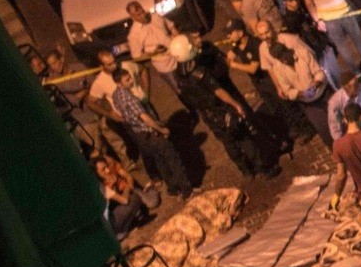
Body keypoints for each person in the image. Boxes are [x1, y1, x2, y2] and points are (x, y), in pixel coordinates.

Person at [168, 34, 272, 178]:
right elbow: (218, 91)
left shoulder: (177, 74)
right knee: (241, 136)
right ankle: (262, 169)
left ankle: (245, 170)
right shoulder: (200, 72)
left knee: (228, 142)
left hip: (207, 114)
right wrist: (235, 105)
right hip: (220, 108)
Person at [106, 66, 195, 197]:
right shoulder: (129, 98)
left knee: (159, 160)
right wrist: (161, 129)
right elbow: (144, 117)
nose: (131, 81)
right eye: (127, 80)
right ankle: (186, 189)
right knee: (171, 157)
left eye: (130, 78)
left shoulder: (116, 95)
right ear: (119, 83)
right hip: (148, 131)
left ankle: (172, 188)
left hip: (138, 133)